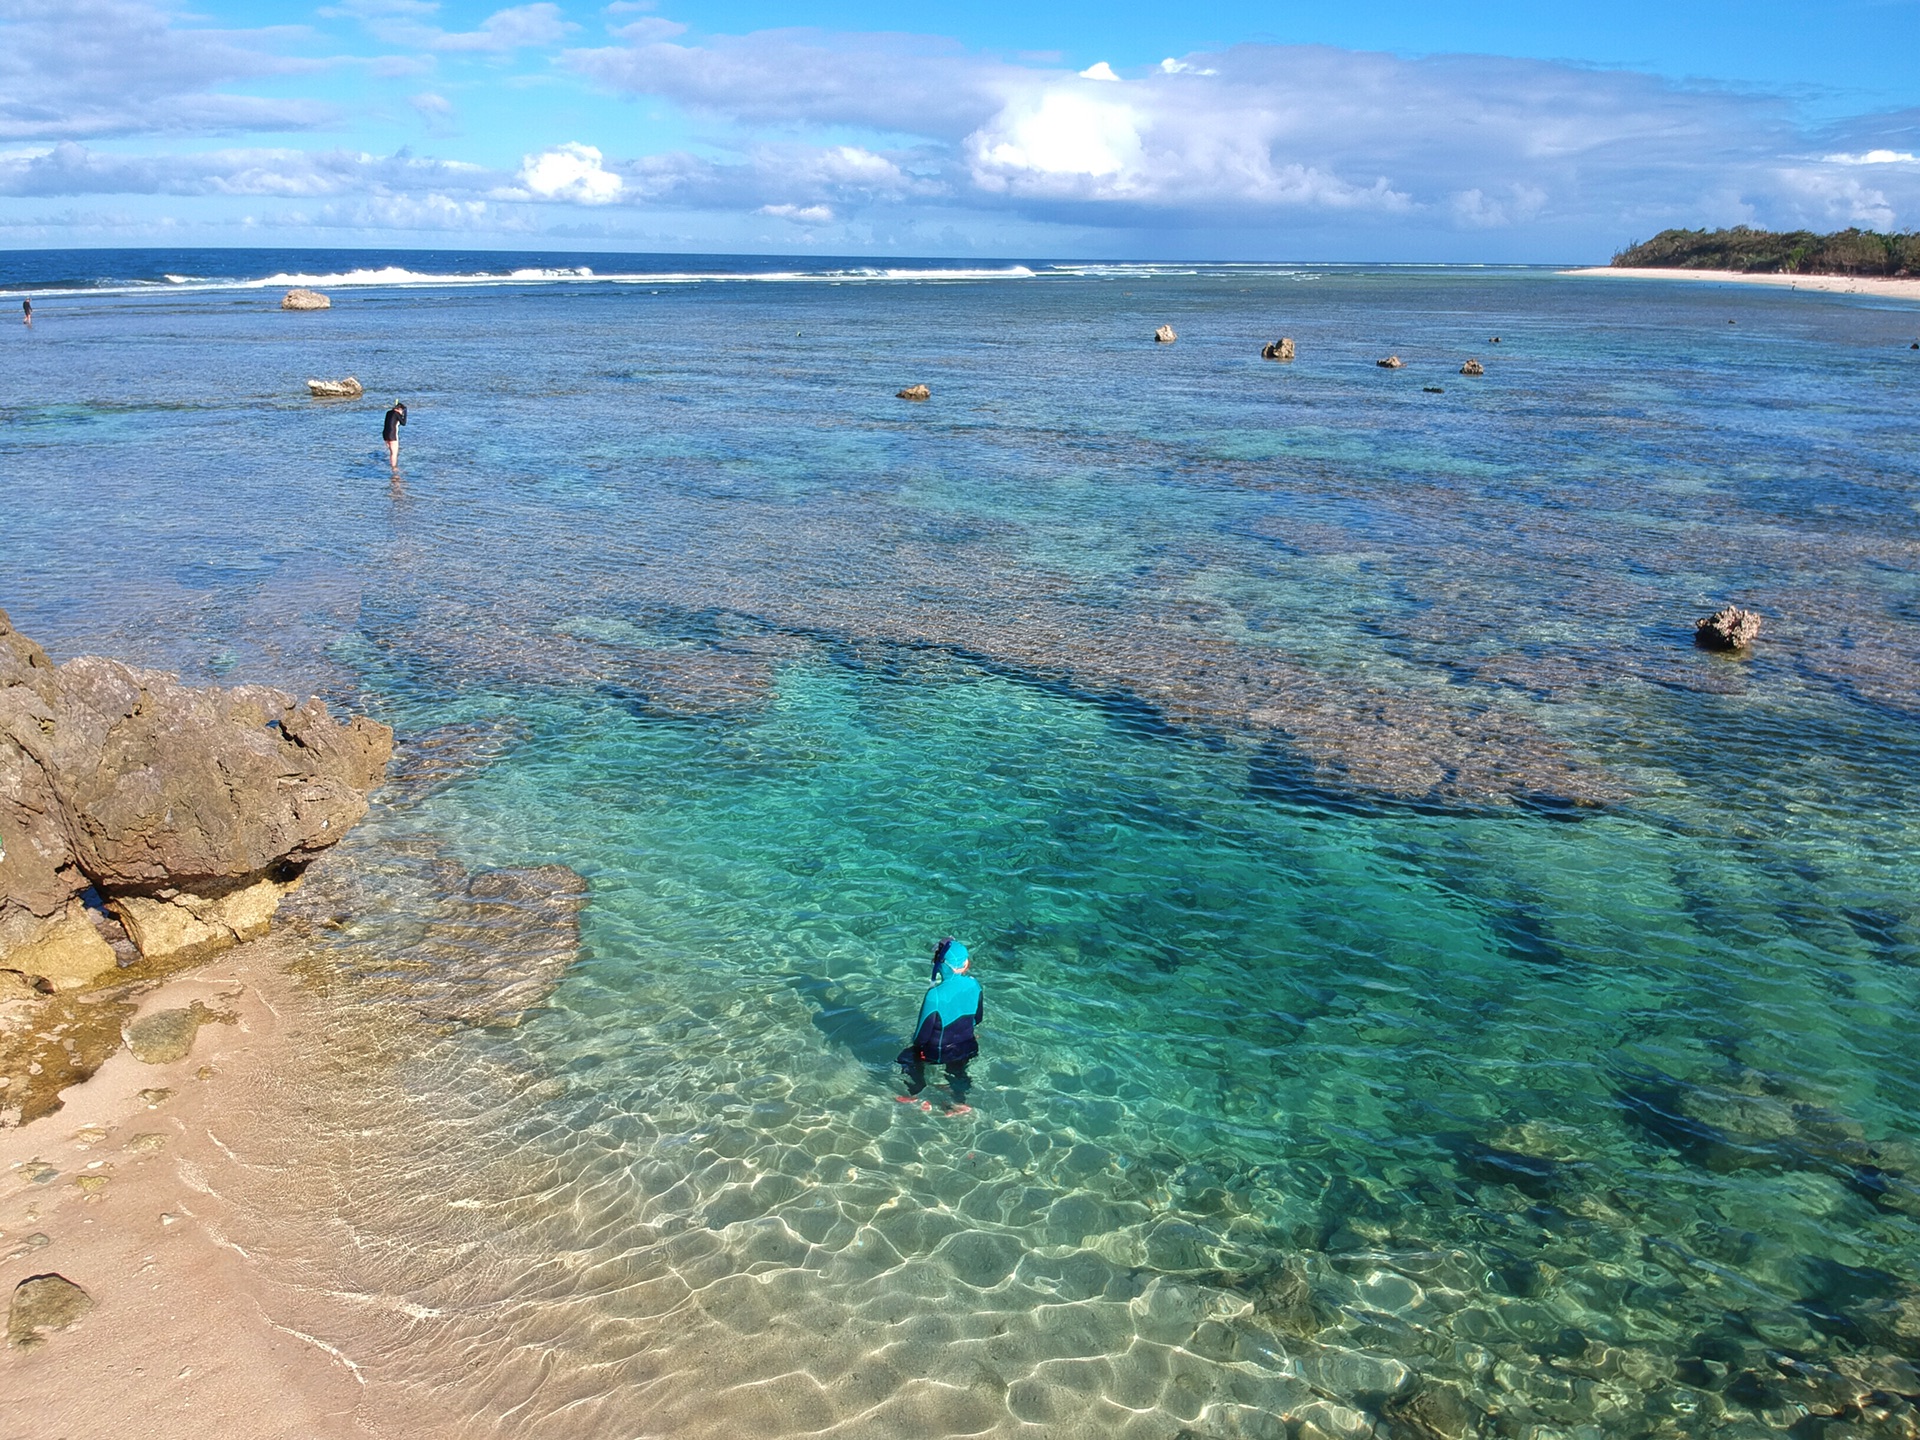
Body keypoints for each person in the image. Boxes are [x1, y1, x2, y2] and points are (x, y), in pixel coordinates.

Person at [897, 937, 983, 1114]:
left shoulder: (934, 995)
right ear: (965, 964)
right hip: (967, 1046)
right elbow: (977, 1018)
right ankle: (959, 1102)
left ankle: (916, 1094)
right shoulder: (974, 985)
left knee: (907, 1058)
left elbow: (921, 1036)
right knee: (958, 1070)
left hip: (937, 1052)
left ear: (941, 965)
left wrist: (917, 1049)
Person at [382, 400, 407, 468]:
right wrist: (405, 413)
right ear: (399, 409)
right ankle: (394, 468)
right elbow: (404, 423)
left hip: (385, 434)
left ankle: (392, 466)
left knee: (391, 452)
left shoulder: (388, 412)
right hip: (392, 434)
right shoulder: (396, 413)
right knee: (394, 453)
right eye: (402, 411)